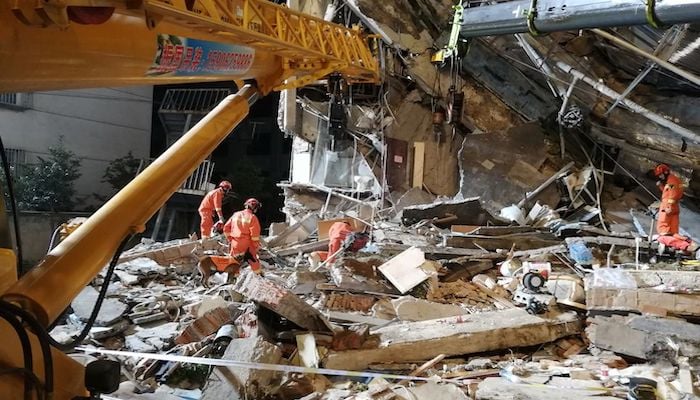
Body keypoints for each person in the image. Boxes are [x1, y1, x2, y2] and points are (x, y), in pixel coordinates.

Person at [652, 164, 697, 254]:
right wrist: (661, 186)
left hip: (668, 207)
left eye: (660, 175)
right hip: (673, 207)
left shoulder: (671, 181)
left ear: (665, 172)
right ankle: (687, 243)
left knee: (663, 231)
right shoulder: (672, 181)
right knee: (672, 231)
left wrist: (668, 206)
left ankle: (686, 246)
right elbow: (669, 192)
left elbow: (673, 193)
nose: (660, 177)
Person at [224, 198, 263, 274]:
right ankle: (258, 275)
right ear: (255, 208)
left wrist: (230, 239)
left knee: (234, 261)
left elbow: (226, 228)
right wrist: (256, 246)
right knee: (253, 260)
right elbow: (254, 235)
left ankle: (234, 279)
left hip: (235, 242)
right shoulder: (252, 217)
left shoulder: (235, 214)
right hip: (247, 243)